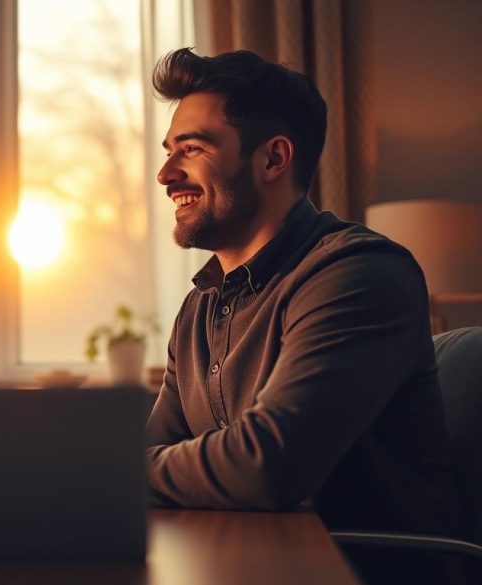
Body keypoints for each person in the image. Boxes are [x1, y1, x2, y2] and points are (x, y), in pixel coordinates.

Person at [146, 48, 467, 583]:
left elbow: (267, 467)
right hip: (245, 564)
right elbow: (156, 450)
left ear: (273, 159)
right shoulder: (200, 306)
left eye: (193, 149)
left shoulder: (360, 273)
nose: (164, 174)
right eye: (168, 152)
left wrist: (117, 473)